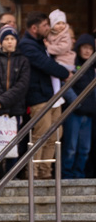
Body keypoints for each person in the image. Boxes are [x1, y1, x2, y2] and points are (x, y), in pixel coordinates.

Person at [18, 12, 71, 179]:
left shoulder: (42, 44)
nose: (48, 28)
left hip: (53, 96)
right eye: (45, 25)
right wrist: (65, 73)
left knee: (55, 134)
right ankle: (33, 172)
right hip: (38, 96)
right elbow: (45, 63)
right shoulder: (27, 45)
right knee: (41, 133)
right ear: (34, 28)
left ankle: (45, 171)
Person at [0, 25, 30, 178]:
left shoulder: (23, 61)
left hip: (15, 109)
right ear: (1, 41)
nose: (10, 42)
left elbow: (22, 85)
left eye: (12, 39)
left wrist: (4, 101)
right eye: (6, 39)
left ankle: (12, 172)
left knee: (14, 141)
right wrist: (0, 103)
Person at [63, 34, 95, 178]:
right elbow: (66, 86)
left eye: (90, 48)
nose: (87, 51)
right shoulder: (72, 65)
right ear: (79, 49)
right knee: (70, 147)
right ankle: (67, 175)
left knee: (84, 148)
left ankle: (79, 174)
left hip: (89, 114)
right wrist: (76, 103)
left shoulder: (92, 69)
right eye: (84, 48)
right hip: (74, 113)